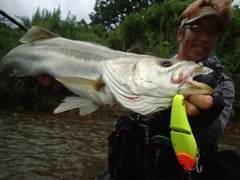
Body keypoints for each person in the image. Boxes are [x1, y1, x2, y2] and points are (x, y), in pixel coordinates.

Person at [38, 0, 240, 179]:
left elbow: (214, 133)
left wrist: (204, 120)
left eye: (213, 32)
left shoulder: (222, 83)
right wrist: (72, 87)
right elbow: (110, 96)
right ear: (181, 33)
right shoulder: (148, 69)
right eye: (197, 27)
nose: (205, 37)